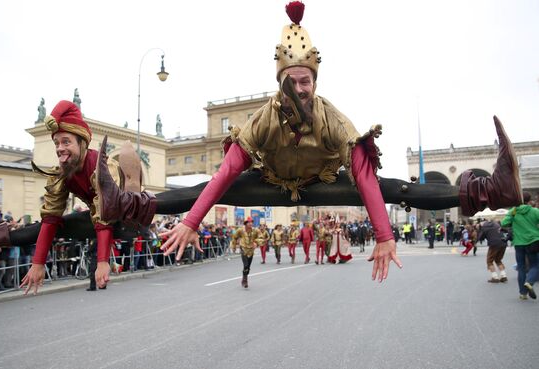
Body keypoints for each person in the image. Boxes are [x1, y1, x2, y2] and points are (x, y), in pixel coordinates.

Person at [92, 1, 522, 283]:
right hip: (270, 182)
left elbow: (364, 175)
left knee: (398, 187)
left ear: (314, 82)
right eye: (292, 81)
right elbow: (225, 172)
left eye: (306, 81)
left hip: (323, 183)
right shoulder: (263, 118)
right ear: (280, 83)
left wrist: (384, 233)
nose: (299, 88)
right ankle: (121, 204)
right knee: (199, 189)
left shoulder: (332, 117)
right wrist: (190, 221)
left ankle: (491, 190)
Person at [0, 100, 139, 295]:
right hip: (97, 219)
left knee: (147, 202)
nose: (60, 148)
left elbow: (105, 215)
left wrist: (102, 262)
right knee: (45, 227)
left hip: (127, 215)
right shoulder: (62, 174)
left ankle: (135, 185)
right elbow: (50, 221)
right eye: (57, 143)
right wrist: (38, 263)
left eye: (66, 142)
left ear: (82, 143)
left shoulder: (103, 168)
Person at [501, 192, 539, 300]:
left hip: (518, 243)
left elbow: (504, 224)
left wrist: (512, 215)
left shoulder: (513, 211)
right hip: (533, 242)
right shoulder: (534, 210)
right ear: (529, 200)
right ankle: (529, 281)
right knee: (535, 265)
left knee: (521, 267)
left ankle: (523, 294)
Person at [231, 217, 259, 288]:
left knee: (248, 267)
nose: (251, 224)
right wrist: (234, 246)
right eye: (249, 222)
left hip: (251, 250)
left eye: (251, 222)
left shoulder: (255, 230)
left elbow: (260, 237)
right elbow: (234, 237)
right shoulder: (240, 230)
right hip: (243, 248)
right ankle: (245, 280)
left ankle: (244, 276)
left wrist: (256, 242)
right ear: (246, 224)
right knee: (246, 265)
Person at [477, 218, 508, 283]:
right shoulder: (496, 224)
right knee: (498, 260)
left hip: (494, 244)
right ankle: (503, 275)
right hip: (503, 242)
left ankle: (495, 277)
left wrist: (479, 229)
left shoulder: (484, 227)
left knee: (489, 261)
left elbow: (480, 238)